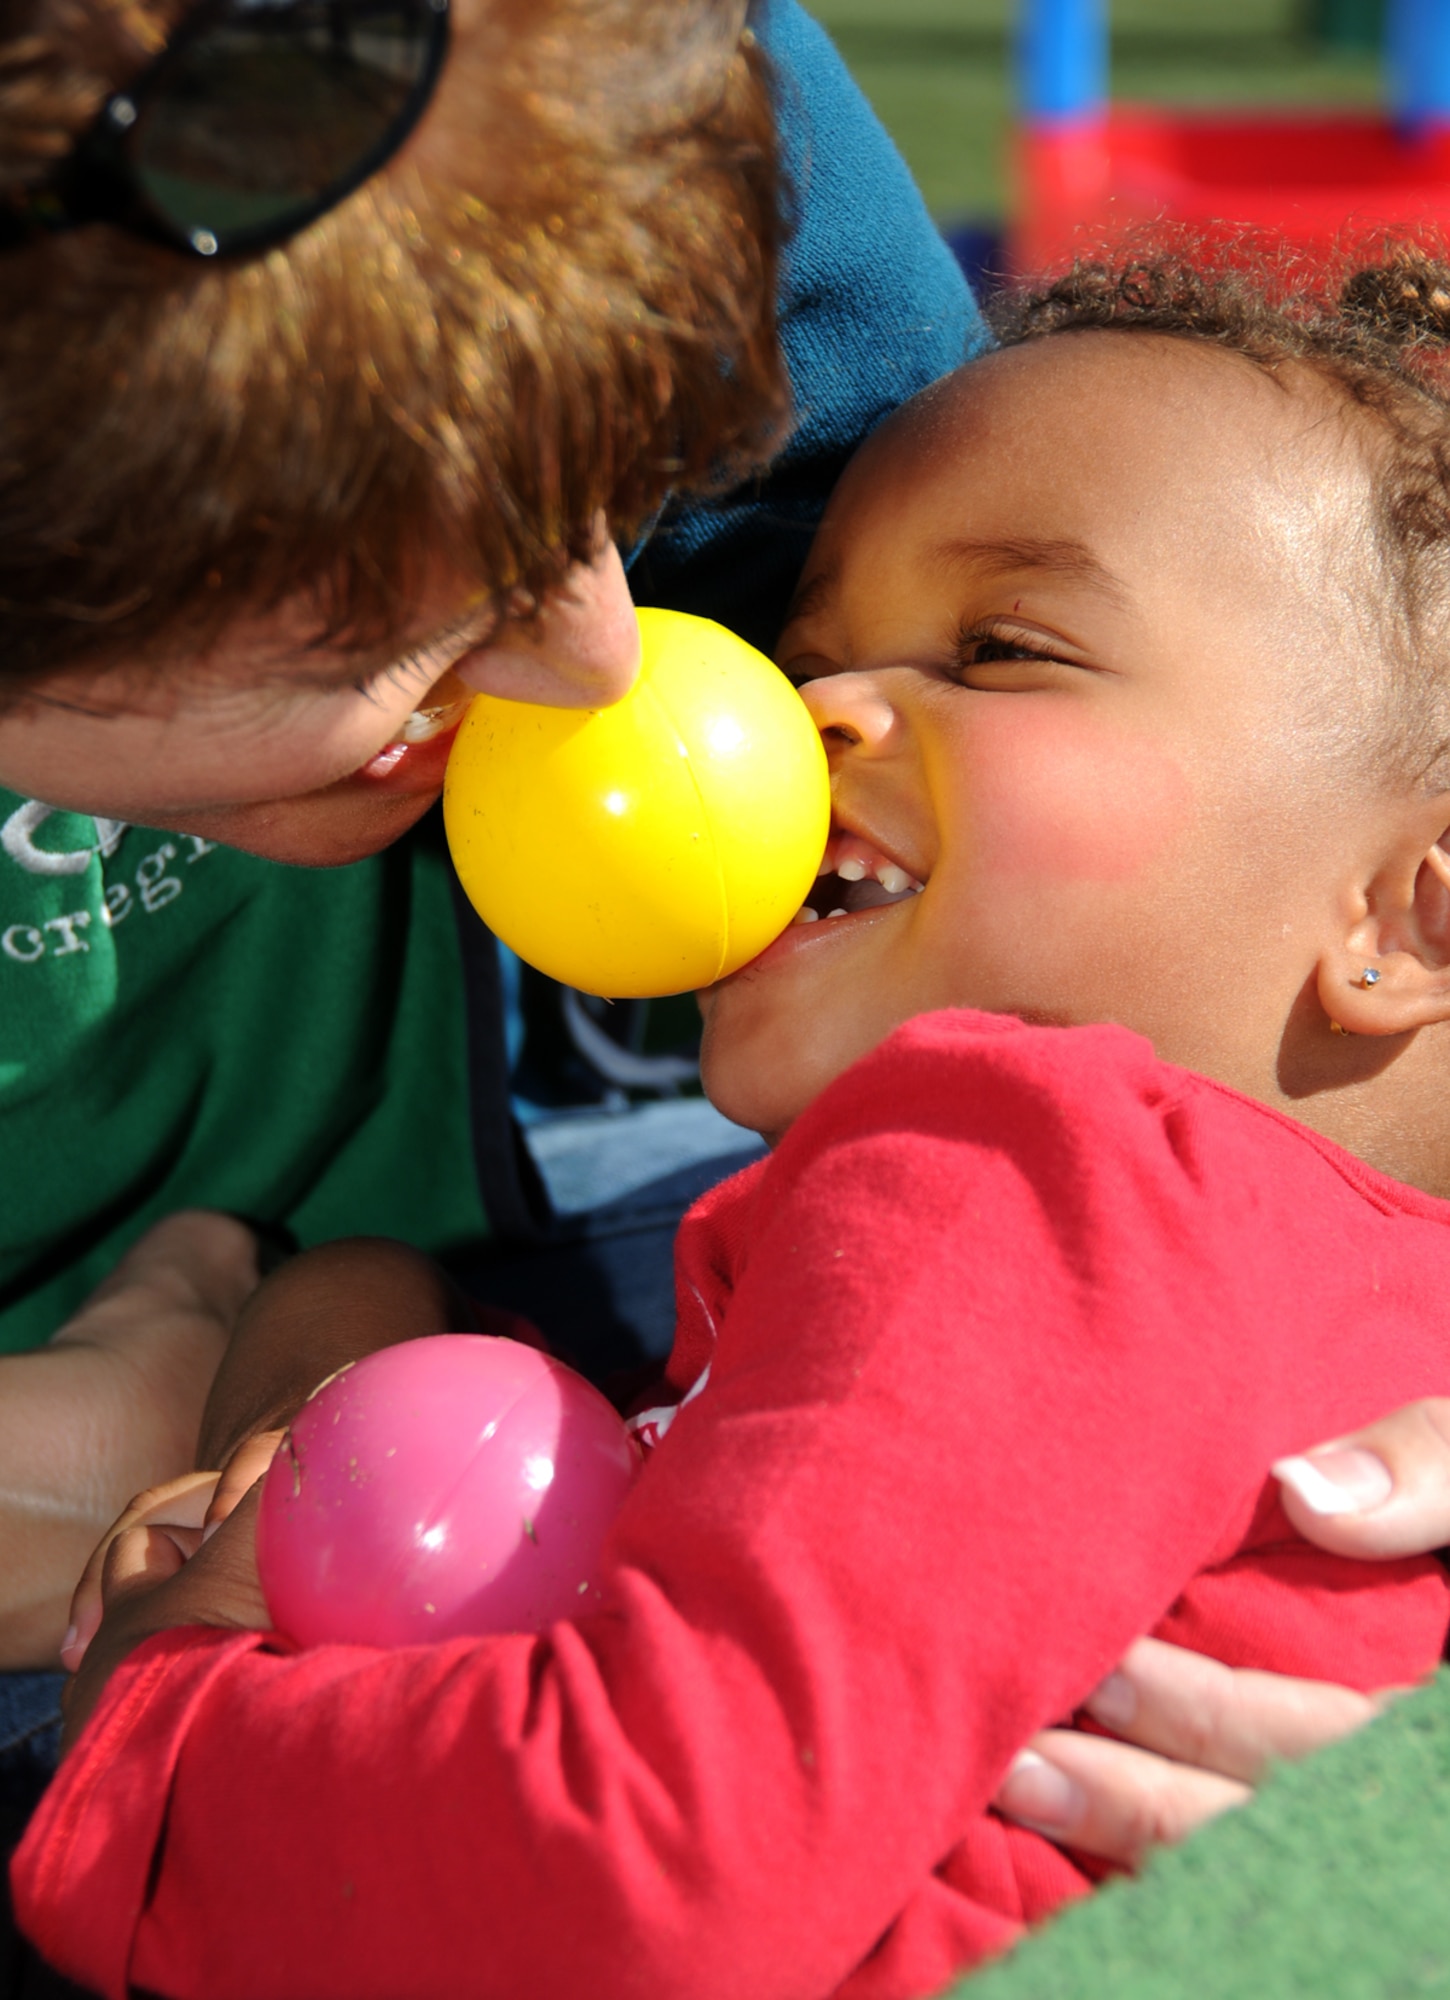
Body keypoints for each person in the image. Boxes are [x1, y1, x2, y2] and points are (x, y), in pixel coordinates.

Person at [21, 243, 1450, 2000]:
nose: (803, 713)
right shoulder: (1329, 1287)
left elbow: (630, 1875)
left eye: (1000, 649)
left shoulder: (1033, 1164)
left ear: (1404, 925)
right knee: (356, 1308)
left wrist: (154, 1744)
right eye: (809, 652)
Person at [0, 0, 984, 1675]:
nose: (610, 653)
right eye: (398, 628)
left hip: (389, 1274)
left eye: (620, 478)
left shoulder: (609, 93)